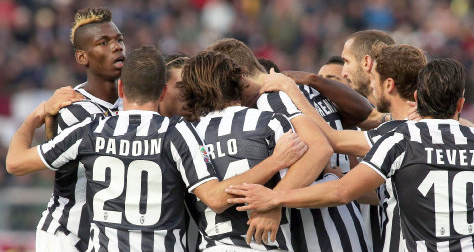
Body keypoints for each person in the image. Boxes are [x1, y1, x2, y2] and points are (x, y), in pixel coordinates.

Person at [5, 46, 306, 251]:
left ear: (122, 89)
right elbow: (215, 197)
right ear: (162, 91)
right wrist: (276, 161)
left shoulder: (90, 131)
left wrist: (36, 115)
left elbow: (15, 163)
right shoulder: (179, 132)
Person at [226, 58, 474, 251]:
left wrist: (274, 197)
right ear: (461, 103)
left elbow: (341, 191)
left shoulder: (399, 138)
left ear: (418, 97)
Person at [207, 38, 372, 252]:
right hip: (347, 223)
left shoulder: (271, 99)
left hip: (320, 232)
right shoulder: (306, 91)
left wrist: (273, 202)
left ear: (240, 76)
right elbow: (361, 113)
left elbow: (320, 149)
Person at [260, 44, 427, 252]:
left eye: (374, 79)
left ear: (389, 84)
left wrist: (273, 199)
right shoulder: (435, 128)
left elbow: (332, 142)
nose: (371, 87)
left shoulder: (396, 135)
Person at [11, 7, 126, 252]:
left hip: (103, 238)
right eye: (103, 42)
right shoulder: (71, 108)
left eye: (119, 40)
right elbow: (16, 164)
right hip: (67, 235)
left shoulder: (130, 105)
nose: (116, 47)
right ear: (82, 57)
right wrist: (37, 115)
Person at [181, 51, 310, 251]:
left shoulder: (187, 135)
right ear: (239, 80)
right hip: (269, 244)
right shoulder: (271, 122)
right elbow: (301, 186)